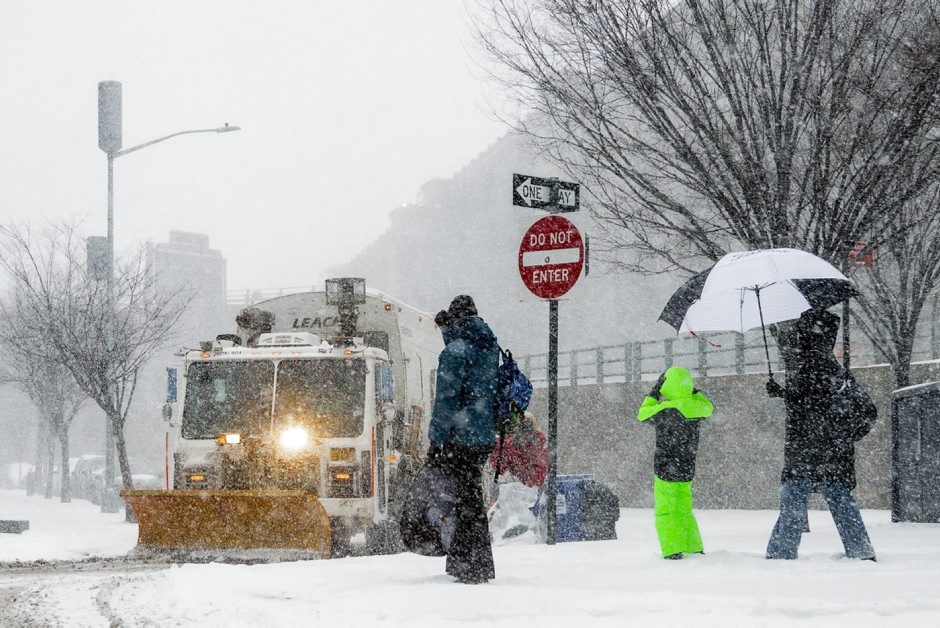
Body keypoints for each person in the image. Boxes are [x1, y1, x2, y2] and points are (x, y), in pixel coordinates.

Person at [764, 308, 877, 561]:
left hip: (803, 454)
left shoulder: (803, 368)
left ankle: (781, 555)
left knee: (793, 501)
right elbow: (867, 411)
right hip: (833, 457)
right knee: (840, 501)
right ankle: (861, 551)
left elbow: (804, 407)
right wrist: (844, 437)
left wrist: (782, 394)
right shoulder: (837, 373)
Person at [428, 295, 499, 584]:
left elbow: (445, 401)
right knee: (470, 497)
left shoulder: (456, 352)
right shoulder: (488, 346)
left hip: (461, 438)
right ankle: (469, 562)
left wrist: (436, 439)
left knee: (464, 501)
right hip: (483, 435)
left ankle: (471, 565)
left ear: (455, 320)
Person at [636, 366, 713, 559]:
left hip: (665, 469)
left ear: (667, 385)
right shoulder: (696, 408)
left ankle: (672, 550)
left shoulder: (666, 410)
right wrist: (692, 392)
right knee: (684, 511)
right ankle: (693, 547)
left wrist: (654, 392)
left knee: (666, 512)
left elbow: (642, 413)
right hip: (687, 469)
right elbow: (708, 406)